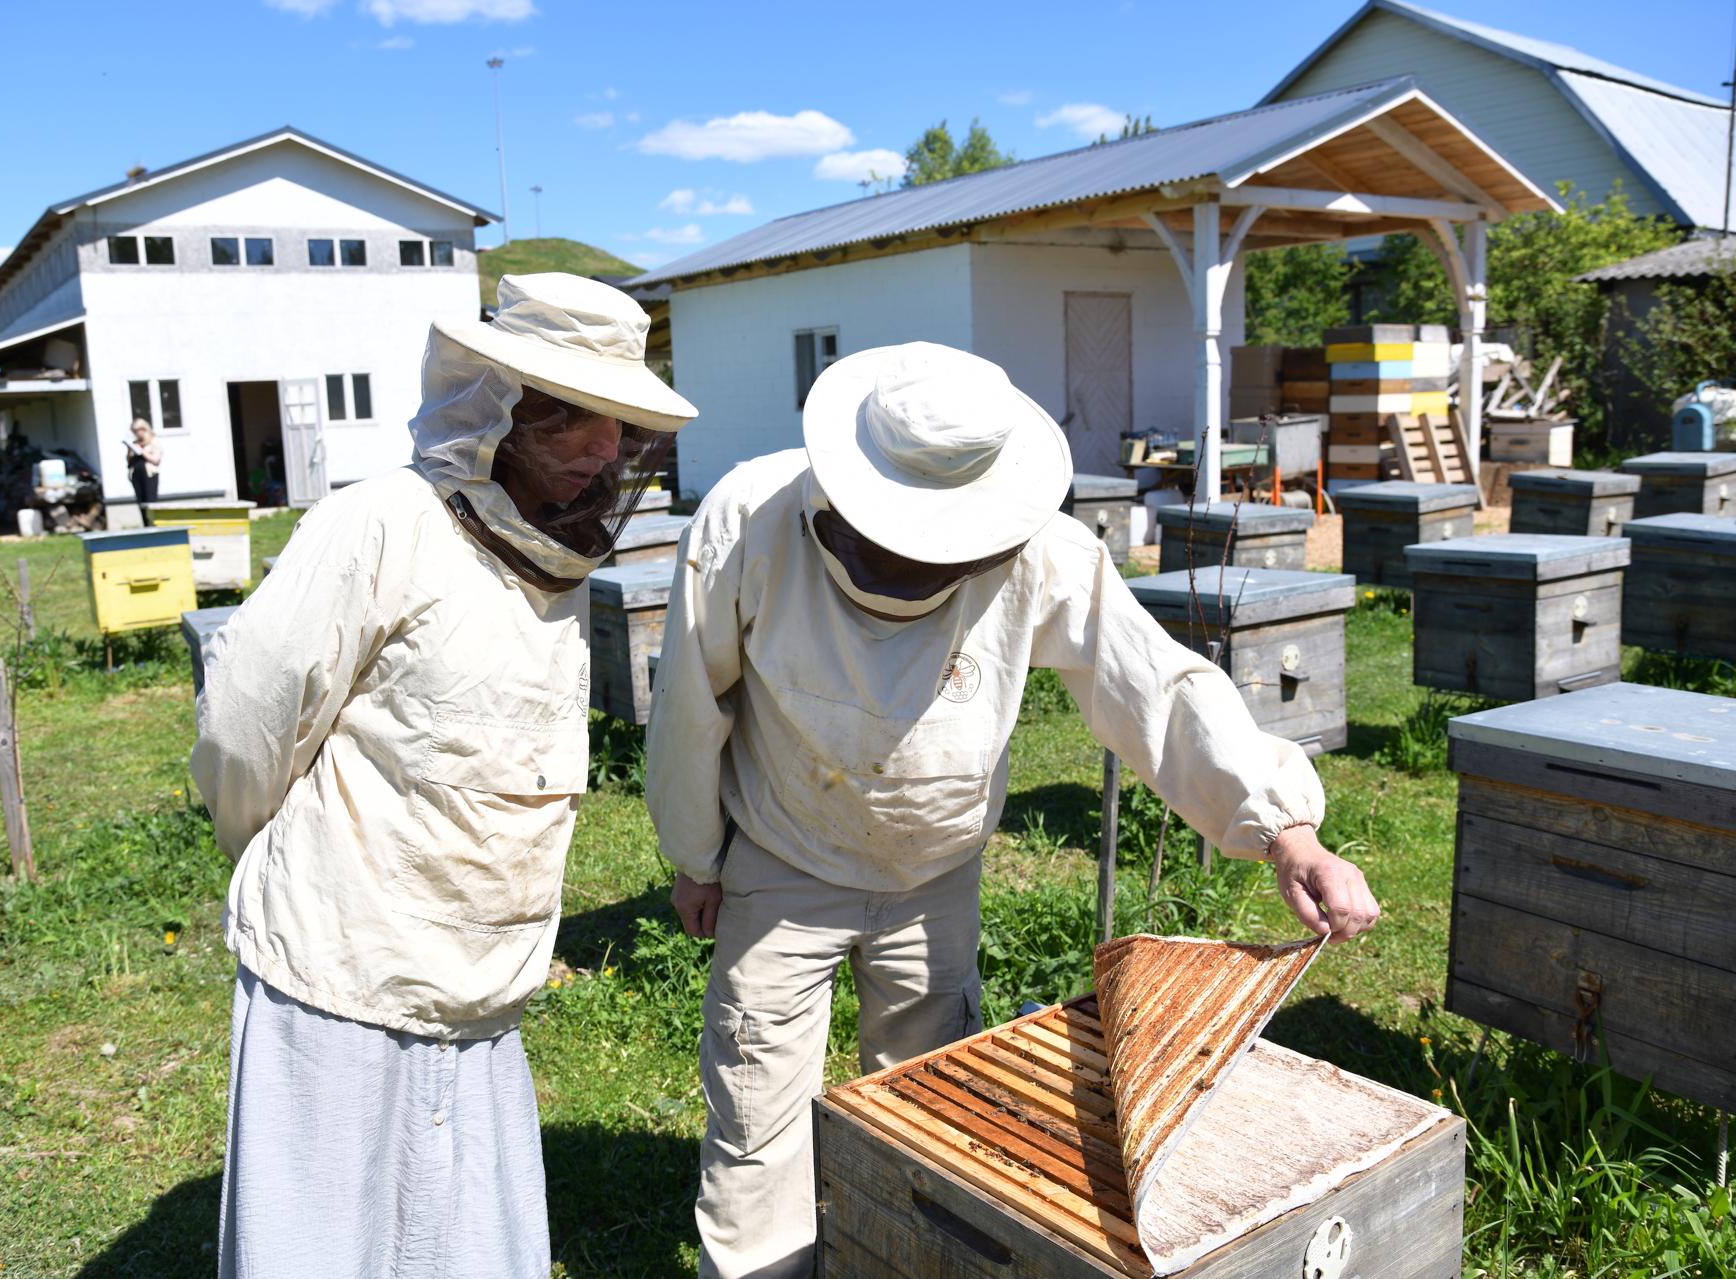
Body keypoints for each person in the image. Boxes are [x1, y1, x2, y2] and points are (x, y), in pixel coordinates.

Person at [643, 342, 1380, 1279]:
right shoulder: (746, 519)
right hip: (785, 863)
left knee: (932, 1108)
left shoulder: (1038, 546)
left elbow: (1155, 685)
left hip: (933, 877)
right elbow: (688, 706)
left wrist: (1285, 828)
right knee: (756, 1120)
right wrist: (696, 856)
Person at [190, 273, 695, 1278]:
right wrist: (298, 863)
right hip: (338, 977)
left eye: (621, 424)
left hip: (479, 993)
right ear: (499, 407)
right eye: (579, 417)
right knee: (326, 1245)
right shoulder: (380, 523)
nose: (607, 448)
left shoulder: (550, 567)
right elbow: (246, 728)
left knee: (464, 1240)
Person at [125, 418, 162, 522]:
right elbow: (129, 461)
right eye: (134, 432)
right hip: (137, 475)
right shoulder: (135, 443)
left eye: (138, 431)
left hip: (149, 475)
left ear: (144, 429)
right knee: (140, 501)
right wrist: (131, 450)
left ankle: (153, 523)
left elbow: (156, 460)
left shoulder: (153, 441)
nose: (137, 434)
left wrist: (141, 451)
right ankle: (145, 523)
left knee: (150, 501)